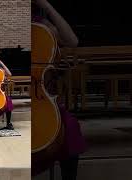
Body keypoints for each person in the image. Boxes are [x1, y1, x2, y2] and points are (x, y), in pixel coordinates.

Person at [32, 0, 87, 179]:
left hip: (41, 97)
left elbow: (72, 41)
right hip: (14, 96)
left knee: (69, 126)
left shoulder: (42, 24)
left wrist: (47, 6)